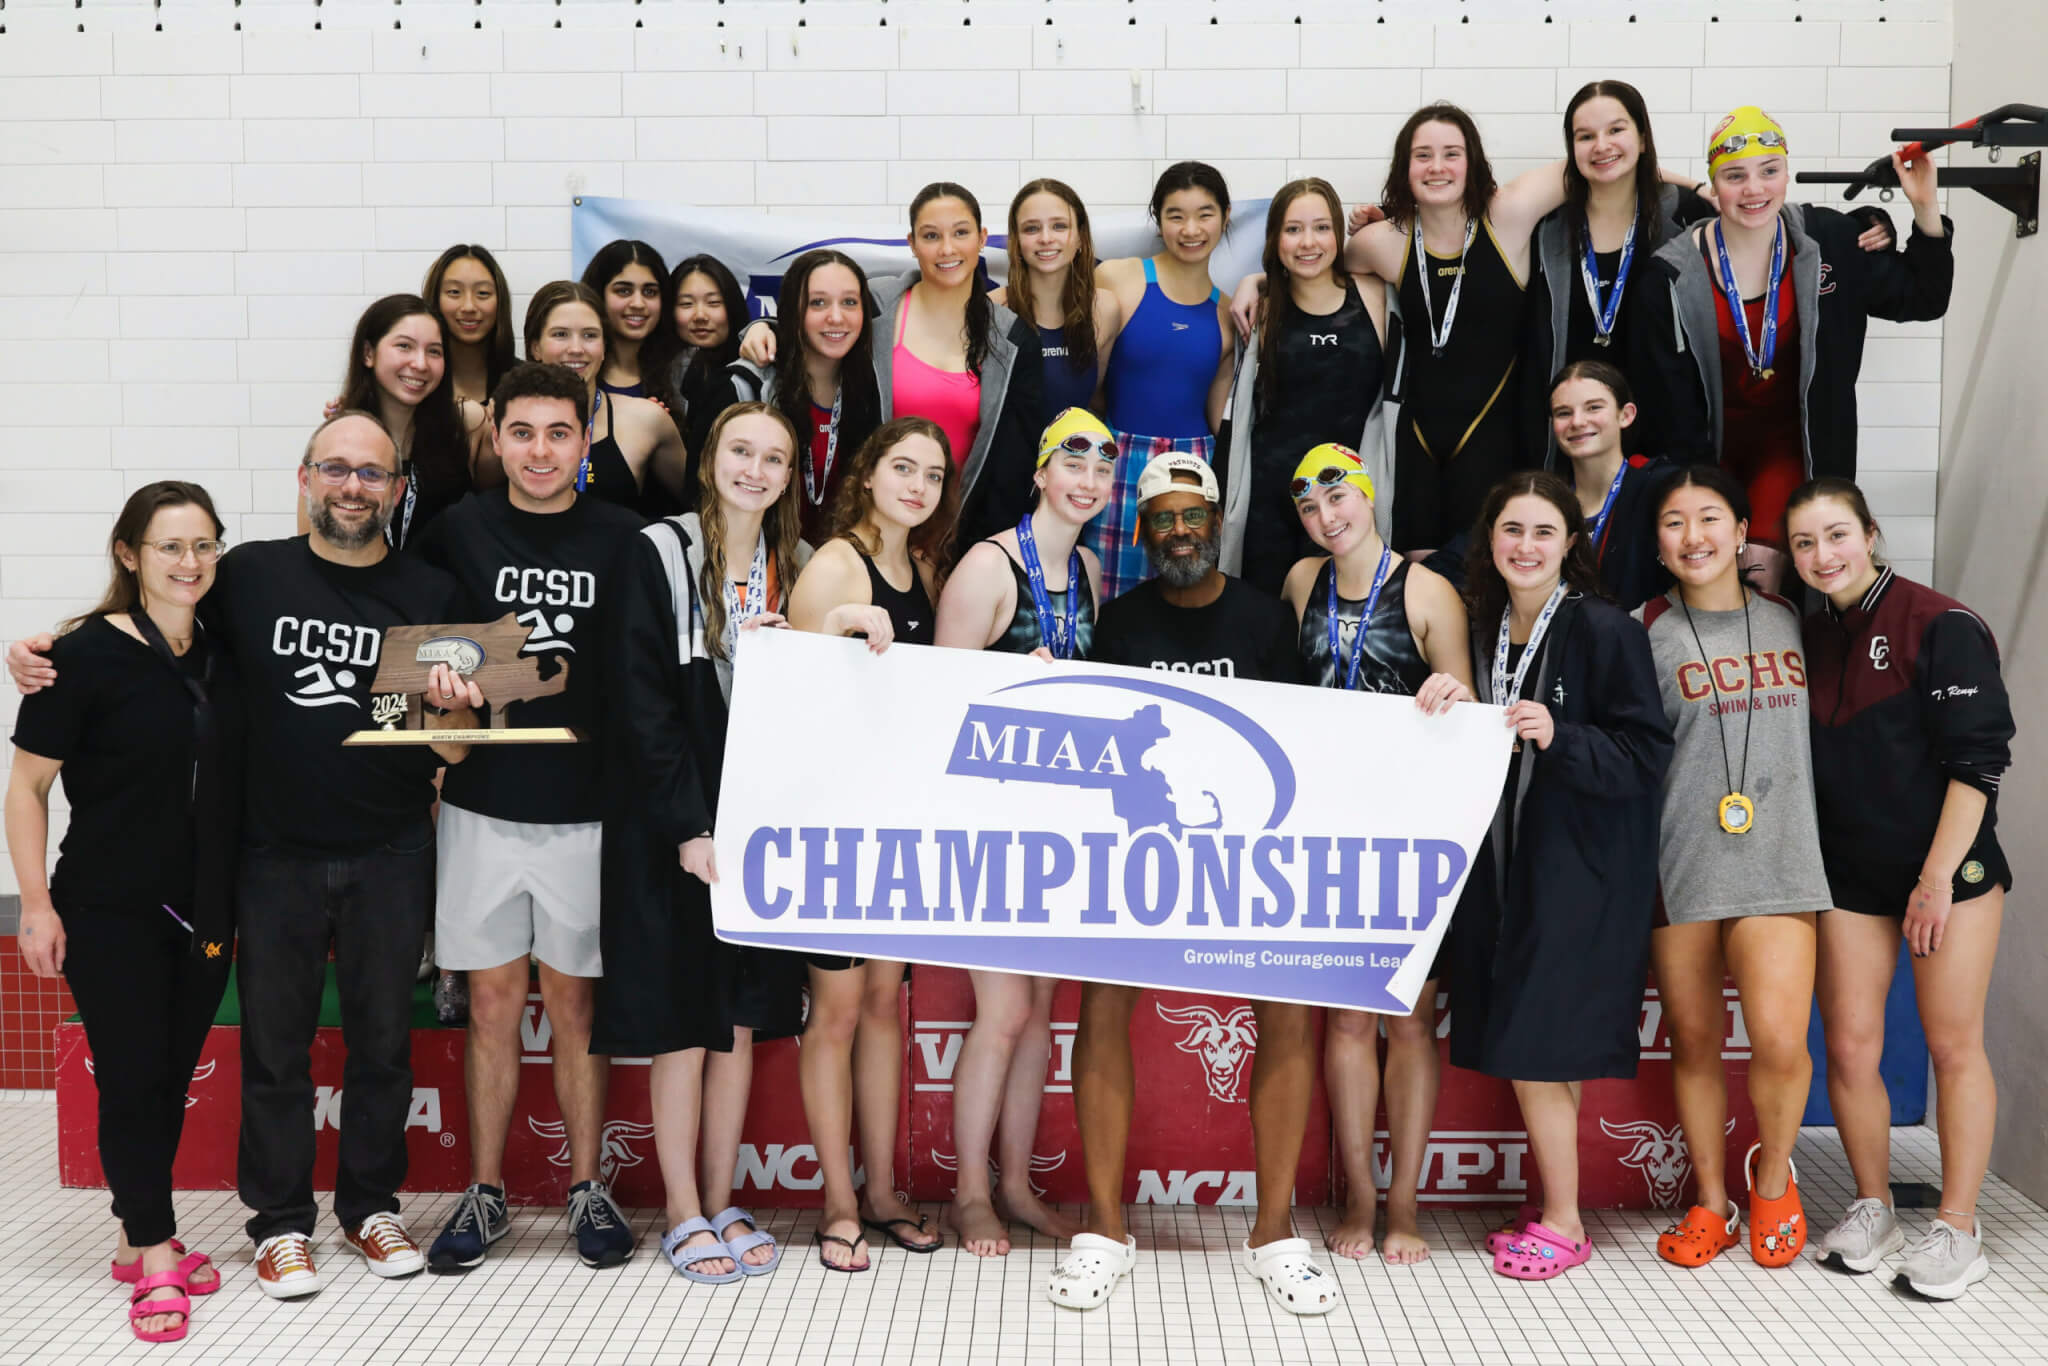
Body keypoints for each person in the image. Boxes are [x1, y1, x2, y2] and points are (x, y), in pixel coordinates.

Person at [12, 413, 485, 1297]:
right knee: (275, 1052)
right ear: (305, 479)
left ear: (396, 488)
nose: (353, 486)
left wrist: (455, 706)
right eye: (335, 469)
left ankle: (370, 1208)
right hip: (269, 857)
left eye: (372, 474)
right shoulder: (250, 574)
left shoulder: (430, 588)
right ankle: (279, 1223)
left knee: (385, 1045)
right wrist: (45, 650)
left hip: (392, 849)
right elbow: (152, 625)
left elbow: (454, 750)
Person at [1050, 454, 1334, 1315]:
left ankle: (1274, 1233)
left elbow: (1299, 740)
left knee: (1284, 1008)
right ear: (1142, 533)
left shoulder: (1264, 619)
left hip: (1248, 853)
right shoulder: (1121, 622)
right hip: (1141, 854)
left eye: (1193, 515)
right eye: (1163, 519)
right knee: (1102, 1003)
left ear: (1216, 521)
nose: (1180, 532)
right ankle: (1104, 1230)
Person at [403, 362, 646, 1274]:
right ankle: (487, 1190)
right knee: (493, 1004)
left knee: (575, 1004)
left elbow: (639, 672)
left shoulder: (624, 537)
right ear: (495, 437)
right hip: (483, 806)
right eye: (522, 432)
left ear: (585, 442)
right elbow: (419, 666)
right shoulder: (455, 532)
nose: (540, 451)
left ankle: (588, 1188)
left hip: (587, 810)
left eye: (559, 433)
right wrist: (439, 710)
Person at [7, 483, 243, 1343]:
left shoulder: (223, 652)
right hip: (108, 905)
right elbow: (27, 789)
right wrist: (35, 905)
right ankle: (154, 1252)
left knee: (169, 1078)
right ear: (129, 554)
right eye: (169, 545)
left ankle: (130, 1235)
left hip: (205, 905)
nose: (189, 561)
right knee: (133, 1076)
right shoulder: (76, 657)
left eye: (204, 545)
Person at [1433, 470, 1672, 1281]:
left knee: (1538, 1051)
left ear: (1572, 543)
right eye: (1512, 530)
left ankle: (1566, 1222)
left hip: (1579, 877)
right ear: (1489, 540)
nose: (1526, 546)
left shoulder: (1605, 629)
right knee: (1539, 1051)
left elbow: (1646, 755)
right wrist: (1447, 696)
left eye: (1543, 532)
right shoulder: (1482, 626)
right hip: (1505, 875)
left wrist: (1559, 734)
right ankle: (1553, 1208)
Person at [593, 401, 810, 1284]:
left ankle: (721, 1199)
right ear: (711, 457)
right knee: (683, 1026)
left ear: (790, 476)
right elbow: (640, 703)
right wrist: (688, 826)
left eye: (774, 458)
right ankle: (682, 1210)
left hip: (757, 830)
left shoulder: (796, 565)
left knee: (739, 1025)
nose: (754, 470)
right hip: (673, 828)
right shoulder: (659, 551)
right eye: (740, 451)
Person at [1788, 478, 2014, 1300]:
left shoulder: (1941, 624)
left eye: (1837, 535)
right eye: (1805, 543)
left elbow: (1977, 767)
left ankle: (1958, 1226)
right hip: (1854, 875)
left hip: (1949, 874)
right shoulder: (1814, 632)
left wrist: (1935, 880)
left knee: (1953, 1045)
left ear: (1872, 533)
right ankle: (1873, 1206)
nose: (1823, 555)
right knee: (1850, 1046)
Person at [1635, 465, 1830, 1272]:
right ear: (1657, 543)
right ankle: (1712, 1201)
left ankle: (1773, 1178)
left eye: (1710, 517)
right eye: (1674, 522)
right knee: (1695, 1043)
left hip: (1781, 860)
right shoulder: (1643, 630)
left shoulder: (1793, 620)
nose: (1694, 537)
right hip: (1680, 864)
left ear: (1744, 531)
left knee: (1780, 1041)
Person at [932, 407, 1117, 1257]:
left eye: (1101, 470)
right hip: (988, 825)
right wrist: (1011, 691)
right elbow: (936, 708)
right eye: (1072, 465)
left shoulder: (1087, 569)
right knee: (1003, 1010)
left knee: (1039, 1013)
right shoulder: (988, 565)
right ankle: (969, 1193)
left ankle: (1014, 1185)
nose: (1087, 482)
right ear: (1040, 474)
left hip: (1060, 829)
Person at [1279, 443, 1470, 1264]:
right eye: (1310, 506)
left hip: (1410, 837)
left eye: (1339, 497)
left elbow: (1466, 713)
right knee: (1349, 1020)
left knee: (1410, 1021)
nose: (1328, 517)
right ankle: (1359, 1195)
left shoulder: (1427, 591)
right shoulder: (1300, 583)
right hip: (1326, 836)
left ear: (1369, 496)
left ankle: (1403, 1204)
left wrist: (1452, 692)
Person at [1634, 108, 1953, 592]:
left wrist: (1924, 207)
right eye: (1734, 176)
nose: (1754, 189)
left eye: (1769, 171)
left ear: (1786, 174)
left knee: (1763, 576)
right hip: (1703, 457)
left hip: (1793, 452)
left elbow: (1923, 299)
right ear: (1713, 186)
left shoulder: (1831, 242)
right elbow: (1662, 404)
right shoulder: (1668, 277)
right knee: (1709, 583)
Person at [785, 417, 959, 1272]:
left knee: (887, 1006)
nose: (918, 486)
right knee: (839, 1012)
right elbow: (788, 687)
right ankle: (838, 1203)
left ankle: (884, 1189)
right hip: (833, 823)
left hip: (898, 819)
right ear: (867, 472)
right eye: (903, 468)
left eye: (933, 474)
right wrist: (838, 622)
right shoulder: (836, 562)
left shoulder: (920, 568)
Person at [1524, 83, 1891, 464]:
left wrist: (1868, 223)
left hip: (1655, 440)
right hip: (1568, 430)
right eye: (1585, 136)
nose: (1602, 145)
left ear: (1643, 138)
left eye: (1616, 129)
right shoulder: (1546, 229)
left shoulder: (1687, 215)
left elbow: (1764, 216)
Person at [740, 183, 1047, 546]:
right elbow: (819, 325)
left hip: (961, 537)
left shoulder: (1012, 340)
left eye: (960, 233)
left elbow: (1013, 467)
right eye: (931, 235)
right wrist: (762, 327)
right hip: (872, 531)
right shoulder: (877, 306)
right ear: (912, 243)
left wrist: (977, 550)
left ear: (981, 238)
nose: (947, 248)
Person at [1219, 180, 1393, 597]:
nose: (1308, 242)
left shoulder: (1375, 295)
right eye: (1293, 230)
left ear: (1339, 233)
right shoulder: (1261, 308)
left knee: (1344, 614)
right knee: (1269, 619)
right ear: (1274, 238)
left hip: (1350, 498)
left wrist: (1383, 222)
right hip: (1271, 501)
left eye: (1321, 228)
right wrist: (1255, 280)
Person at [1091, 161, 1236, 602]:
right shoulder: (1119, 278)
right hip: (1119, 462)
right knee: (1107, 597)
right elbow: (1086, 382)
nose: (1191, 229)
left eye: (1205, 214)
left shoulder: (1227, 312)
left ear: (1226, 216)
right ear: (1159, 220)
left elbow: (1219, 418)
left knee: (1182, 598)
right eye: (1176, 215)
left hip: (1193, 469)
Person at [708, 249, 884, 546]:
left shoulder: (874, 388)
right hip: (753, 559)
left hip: (841, 560)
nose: (836, 317)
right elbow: (701, 494)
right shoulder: (741, 387)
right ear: (793, 310)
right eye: (818, 302)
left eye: (850, 302)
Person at [303, 294, 484, 550]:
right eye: (404, 346)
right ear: (368, 353)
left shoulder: (466, 425)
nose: (420, 364)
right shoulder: (338, 437)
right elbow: (310, 543)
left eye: (434, 351)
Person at [509, 280, 690, 514]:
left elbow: (704, 505)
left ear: (604, 347)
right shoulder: (505, 420)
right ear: (535, 348)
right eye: (561, 334)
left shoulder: (646, 420)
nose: (576, 349)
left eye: (589, 335)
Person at [1546, 360, 1673, 611]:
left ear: (1626, 415)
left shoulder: (1663, 491)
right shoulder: (1544, 502)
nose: (1577, 421)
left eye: (1593, 408)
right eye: (1563, 413)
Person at [996, 178, 1121, 418]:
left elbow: (1095, 396)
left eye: (1059, 226)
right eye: (1031, 229)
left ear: (1080, 237)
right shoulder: (993, 310)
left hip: (1075, 443)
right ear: (1016, 241)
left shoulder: (1104, 309)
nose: (1046, 238)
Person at [651, 252, 749, 515]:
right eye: (686, 304)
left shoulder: (750, 375)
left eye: (714, 303)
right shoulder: (658, 372)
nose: (700, 315)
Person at [422, 243, 517, 411]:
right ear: (435, 299)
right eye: (454, 292)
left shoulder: (524, 382)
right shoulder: (417, 377)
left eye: (483, 293)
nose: (469, 307)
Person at [580, 238, 677, 402]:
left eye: (650, 292)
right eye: (624, 291)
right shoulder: (577, 367)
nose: (638, 304)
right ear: (598, 295)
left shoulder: (679, 372)